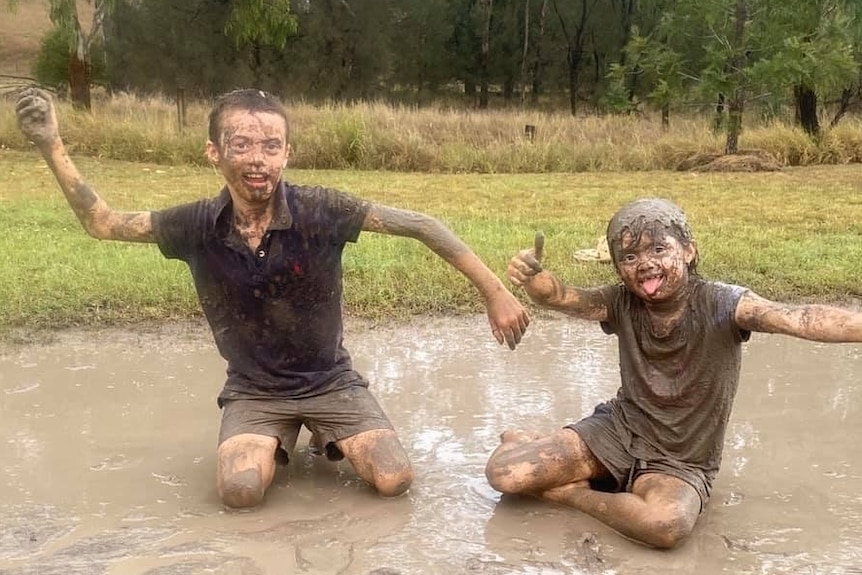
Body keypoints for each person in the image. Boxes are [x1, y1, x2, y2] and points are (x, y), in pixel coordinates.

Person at [15, 87, 530, 509]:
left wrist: (495, 292)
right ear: (214, 152)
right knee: (240, 493)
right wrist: (50, 143)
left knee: (395, 479)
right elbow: (103, 223)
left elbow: (422, 225)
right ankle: (286, 435)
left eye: (270, 146)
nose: (256, 160)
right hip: (254, 391)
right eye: (240, 145)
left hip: (331, 381)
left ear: (287, 152)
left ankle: (321, 430)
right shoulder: (195, 224)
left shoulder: (322, 209)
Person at [485, 198, 862, 549]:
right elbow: (563, 297)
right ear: (618, 268)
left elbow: (801, 318)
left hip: (681, 461)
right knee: (505, 474)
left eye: (658, 249)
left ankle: (570, 493)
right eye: (629, 256)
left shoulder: (724, 303)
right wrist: (533, 277)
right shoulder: (620, 301)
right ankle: (526, 441)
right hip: (617, 433)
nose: (645, 263)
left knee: (666, 525)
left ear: (689, 250)